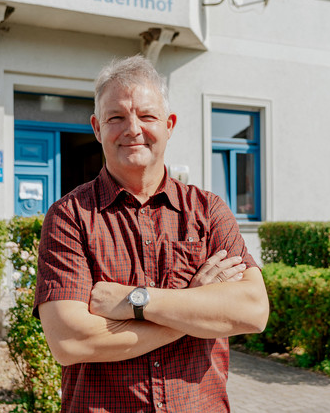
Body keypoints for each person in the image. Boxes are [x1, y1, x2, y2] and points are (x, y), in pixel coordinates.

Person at [34, 55, 270, 412]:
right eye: (116, 117)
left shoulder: (209, 211)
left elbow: (252, 311)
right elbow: (70, 341)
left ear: (169, 124)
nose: (132, 129)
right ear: (97, 128)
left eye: (146, 116)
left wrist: (135, 301)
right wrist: (195, 307)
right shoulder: (70, 217)